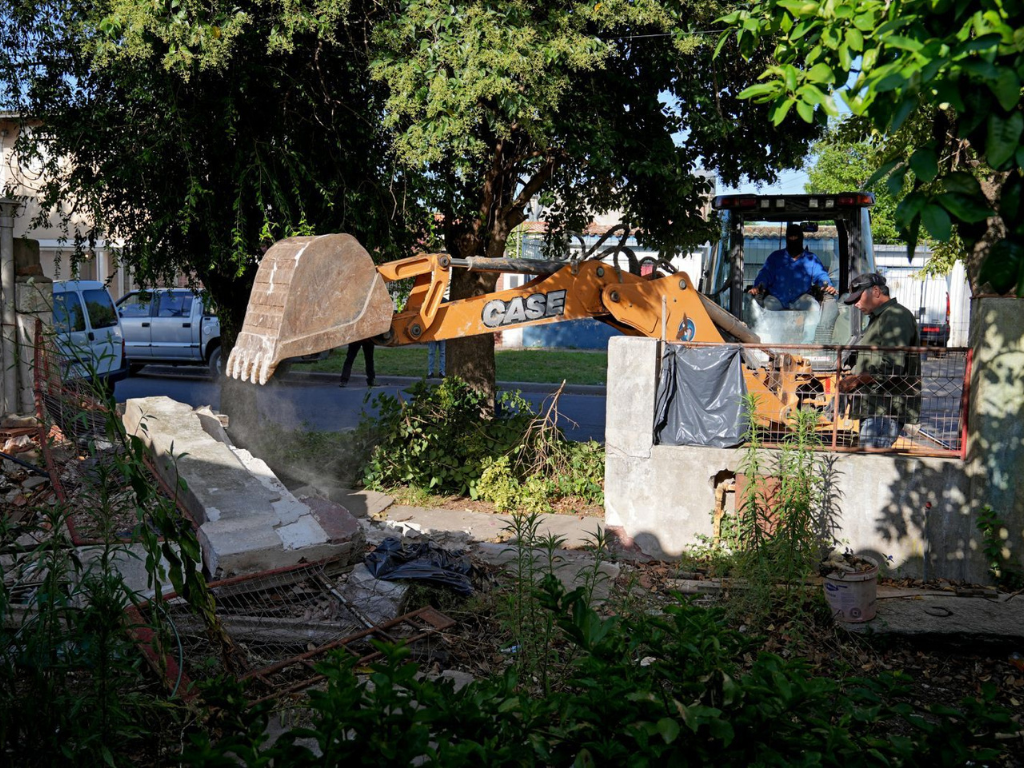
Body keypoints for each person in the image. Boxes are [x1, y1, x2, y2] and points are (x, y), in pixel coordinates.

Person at [837, 272, 921, 449]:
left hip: (885, 409)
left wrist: (855, 380)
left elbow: (893, 367)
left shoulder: (895, 316)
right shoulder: (880, 317)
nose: (857, 305)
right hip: (875, 407)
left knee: (872, 461)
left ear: (875, 291)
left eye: (859, 298)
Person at [747, 223, 837, 310]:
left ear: (801, 238)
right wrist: (757, 287)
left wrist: (827, 285)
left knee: (814, 307)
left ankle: (815, 326)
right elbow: (764, 275)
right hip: (777, 298)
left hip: (801, 298)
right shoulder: (775, 257)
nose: (793, 239)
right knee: (765, 308)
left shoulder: (811, 258)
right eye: (791, 237)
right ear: (786, 239)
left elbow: (821, 275)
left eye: (796, 237)